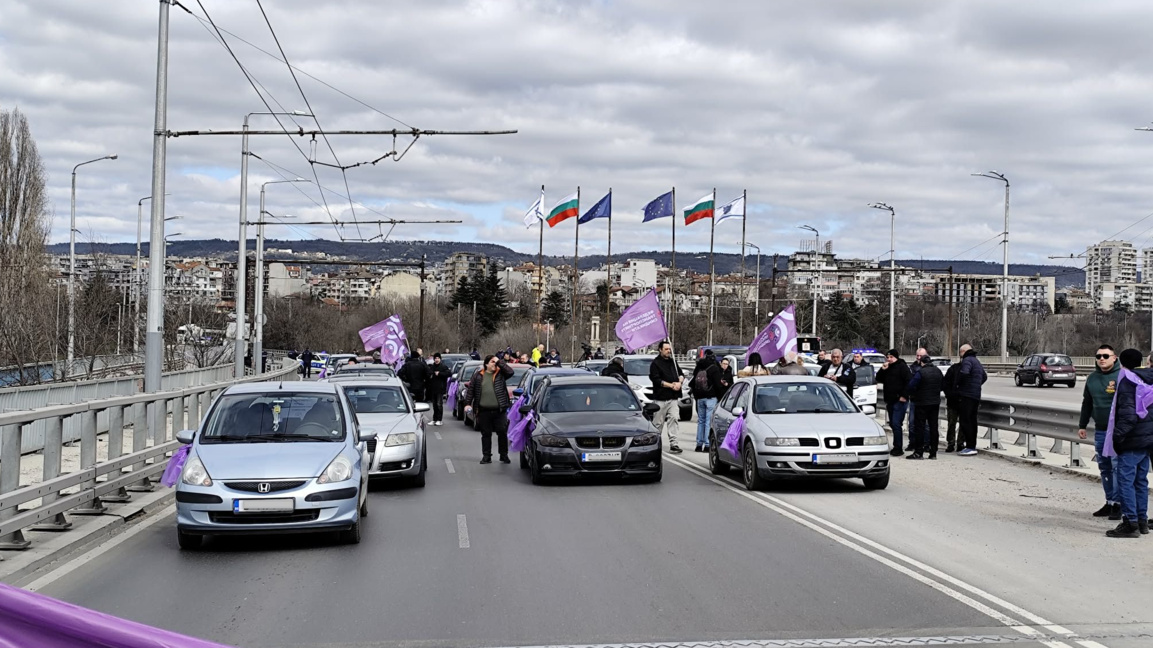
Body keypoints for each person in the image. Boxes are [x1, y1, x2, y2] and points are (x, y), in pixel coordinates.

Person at [1105, 348, 1153, 537]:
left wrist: (1117, 437)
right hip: (1148, 439)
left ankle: (1130, 522)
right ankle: (1142, 521)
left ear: (1121, 362)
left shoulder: (1128, 381)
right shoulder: (1148, 379)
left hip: (1132, 439)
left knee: (1126, 481)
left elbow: (1128, 414)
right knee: (1141, 481)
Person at [1077, 345, 1121, 519]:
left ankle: (1118, 503)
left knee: (1117, 467)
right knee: (1104, 467)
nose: (1102, 359)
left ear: (1114, 357)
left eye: (1105, 355)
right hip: (1101, 430)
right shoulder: (1092, 379)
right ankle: (1109, 501)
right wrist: (1082, 424)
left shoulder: (1121, 377)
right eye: (1098, 356)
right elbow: (1086, 403)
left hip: (1117, 431)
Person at [468, 354, 515, 464]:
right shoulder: (478, 376)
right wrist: (467, 403)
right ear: (486, 364)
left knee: (502, 432)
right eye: (492, 362)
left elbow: (510, 371)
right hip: (484, 410)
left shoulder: (500, 374)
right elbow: (471, 390)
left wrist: (499, 362)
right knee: (486, 434)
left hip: (499, 410)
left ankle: (503, 455)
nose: (495, 364)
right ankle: (486, 456)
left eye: (495, 362)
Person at [648, 340, 684, 453]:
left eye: (669, 349)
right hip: (660, 398)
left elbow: (681, 374)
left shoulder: (673, 361)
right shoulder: (655, 364)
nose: (668, 351)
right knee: (658, 423)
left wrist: (680, 382)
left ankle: (674, 443)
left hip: (673, 398)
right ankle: (654, 443)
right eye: (666, 349)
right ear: (660, 350)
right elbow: (656, 380)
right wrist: (671, 385)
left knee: (674, 418)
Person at [906, 354, 944, 459]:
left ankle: (919, 452)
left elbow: (911, 386)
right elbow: (943, 385)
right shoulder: (938, 371)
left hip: (922, 403)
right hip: (935, 403)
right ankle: (933, 453)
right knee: (933, 427)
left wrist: (914, 393)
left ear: (922, 363)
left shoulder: (920, 372)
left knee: (920, 427)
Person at [877, 349, 912, 457]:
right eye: (888, 357)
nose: (889, 359)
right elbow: (878, 378)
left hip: (899, 400)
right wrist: (882, 370)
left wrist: (904, 395)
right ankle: (896, 445)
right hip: (890, 400)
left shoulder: (902, 367)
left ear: (896, 357)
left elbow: (909, 382)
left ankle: (898, 447)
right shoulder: (887, 367)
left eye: (891, 357)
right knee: (892, 423)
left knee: (896, 424)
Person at [955, 344, 987, 456]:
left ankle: (970, 446)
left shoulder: (967, 360)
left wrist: (959, 385)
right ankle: (972, 445)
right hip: (975, 394)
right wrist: (976, 385)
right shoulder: (976, 361)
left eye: (960, 353)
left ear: (963, 351)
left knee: (966, 420)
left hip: (967, 395)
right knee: (972, 421)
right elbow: (984, 376)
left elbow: (964, 373)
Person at [690, 351, 723, 453]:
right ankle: (707, 445)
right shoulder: (714, 369)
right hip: (711, 397)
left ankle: (699, 444)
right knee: (709, 421)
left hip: (700, 398)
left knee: (701, 421)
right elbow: (718, 385)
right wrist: (720, 397)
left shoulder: (699, 368)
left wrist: (696, 396)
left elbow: (693, 383)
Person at [942, 358, 962, 452]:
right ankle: (951, 443)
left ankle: (960, 443)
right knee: (951, 423)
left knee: (962, 424)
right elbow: (945, 383)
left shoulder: (970, 369)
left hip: (963, 400)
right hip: (953, 401)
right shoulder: (953, 369)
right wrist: (949, 394)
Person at [427, 353, 452, 426]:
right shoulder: (432, 367)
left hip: (440, 388)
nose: (436, 360)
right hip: (433, 388)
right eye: (435, 358)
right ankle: (434, 419)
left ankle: (439, 420)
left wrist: (440, 374)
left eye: (438, 358)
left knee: (439, 404)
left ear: (440, 359)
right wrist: (432, 374)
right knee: (434, 405)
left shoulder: (443, 367)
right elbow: (428, 373)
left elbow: (449, 373)